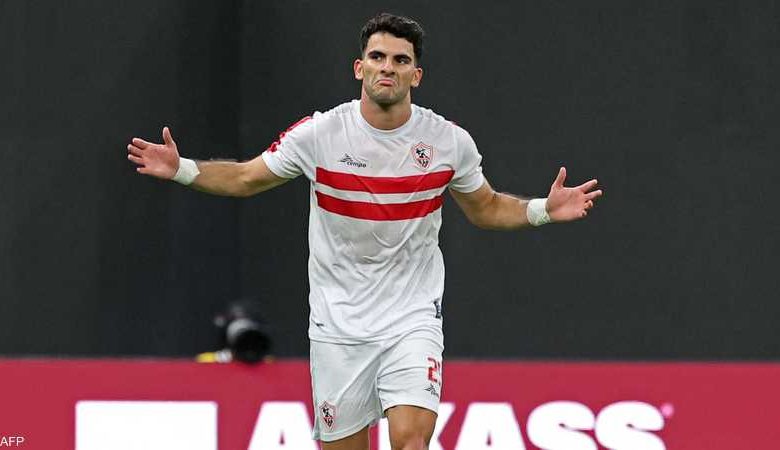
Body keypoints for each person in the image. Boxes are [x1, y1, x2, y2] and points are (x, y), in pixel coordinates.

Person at [127, 12, 602, 450]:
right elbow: (247, 177)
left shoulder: (448, 143)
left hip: (412, 318)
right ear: (360, 68)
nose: (387, 67)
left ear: (416, 75)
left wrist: (542, 210)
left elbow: (487, 207)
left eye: (401, 60)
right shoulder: (319, 135)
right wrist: (182, 169)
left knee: (412, 442)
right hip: (337, 326)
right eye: (377, 57)